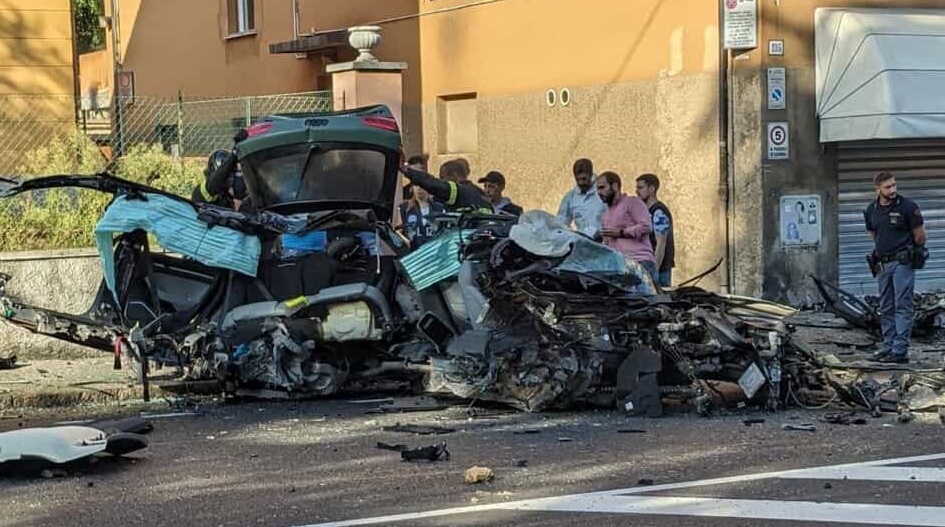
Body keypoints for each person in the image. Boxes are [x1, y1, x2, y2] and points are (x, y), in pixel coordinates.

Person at [865, 172, 927, 364]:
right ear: (878, 189)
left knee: (902, 306)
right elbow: (874, 234)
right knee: (886, 306)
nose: (893, 190)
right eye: (888, 187)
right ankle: (888, 347)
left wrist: (908, 252)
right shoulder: (871, 210)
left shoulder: (908, 207)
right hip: (883, 263)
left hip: (902, 263)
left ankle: (900, 351)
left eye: (894, 185)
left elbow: (920, 237)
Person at [596, 172, 656, 278]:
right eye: (597, 189)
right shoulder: (606, 215)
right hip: (619, 267)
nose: (599, 193)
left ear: (615, 186)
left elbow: (646, 226)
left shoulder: (632, 202)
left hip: (639, 262)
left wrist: (621, 232)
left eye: (602, 187)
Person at [400, 160, 493, 214]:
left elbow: (434, 184)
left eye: (443, 178)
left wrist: (407, 170)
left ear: (454, 175)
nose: (442, 182)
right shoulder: (479, 193)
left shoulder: (460, 192)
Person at [192, 128, 251, 212]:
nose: (231, 179)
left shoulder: (230, 196)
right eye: (229, 175)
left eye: (233, 174)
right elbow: (217, 180)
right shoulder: (202, 191)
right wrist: (234, 153)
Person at [635, 173, 675, 287]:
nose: (637, 191)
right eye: (637, 188)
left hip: (660, 272)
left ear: (652, 189)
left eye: (641, 188)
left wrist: (654, 272)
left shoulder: (658, 212)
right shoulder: (646, 211)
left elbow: (661, 244)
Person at [557, 158, 606, 238]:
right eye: (578, 179)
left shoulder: (604, 191)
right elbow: (561, 222)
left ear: (591, 175)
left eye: (584, 179)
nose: (581, 183)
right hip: (582, 242)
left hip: (605, 241)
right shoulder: (570, 197)